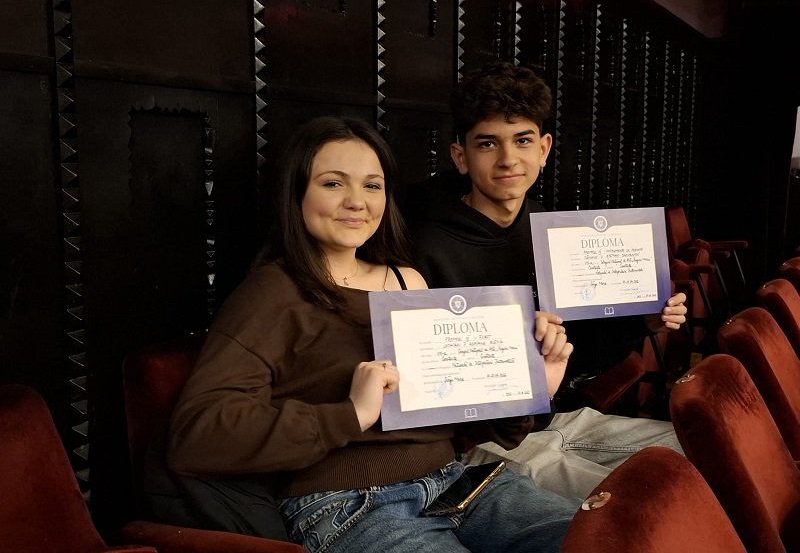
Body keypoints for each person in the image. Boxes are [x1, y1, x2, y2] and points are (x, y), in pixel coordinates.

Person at [165, 116, 579, 552]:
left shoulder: (408, 281)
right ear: (296, 193)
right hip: (346, 503)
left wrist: (532, 386)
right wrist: (350, 413)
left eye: (371, 185)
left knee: (599, 540)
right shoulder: (272, 291)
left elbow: (455, 421)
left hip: (458, 483)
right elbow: (197, 434)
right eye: (332, 184)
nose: (356, 202)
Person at [405, 60, 688, 501]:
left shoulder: (552, 231)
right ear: (461, 157)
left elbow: (580, 346)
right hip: (476, 442)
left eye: (522, 140)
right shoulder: (419, 247)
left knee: (696, 449)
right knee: (640, 502)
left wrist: (644, 323)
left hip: (555, 416)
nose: (508, 159)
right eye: (488, 144)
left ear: (544, 148)